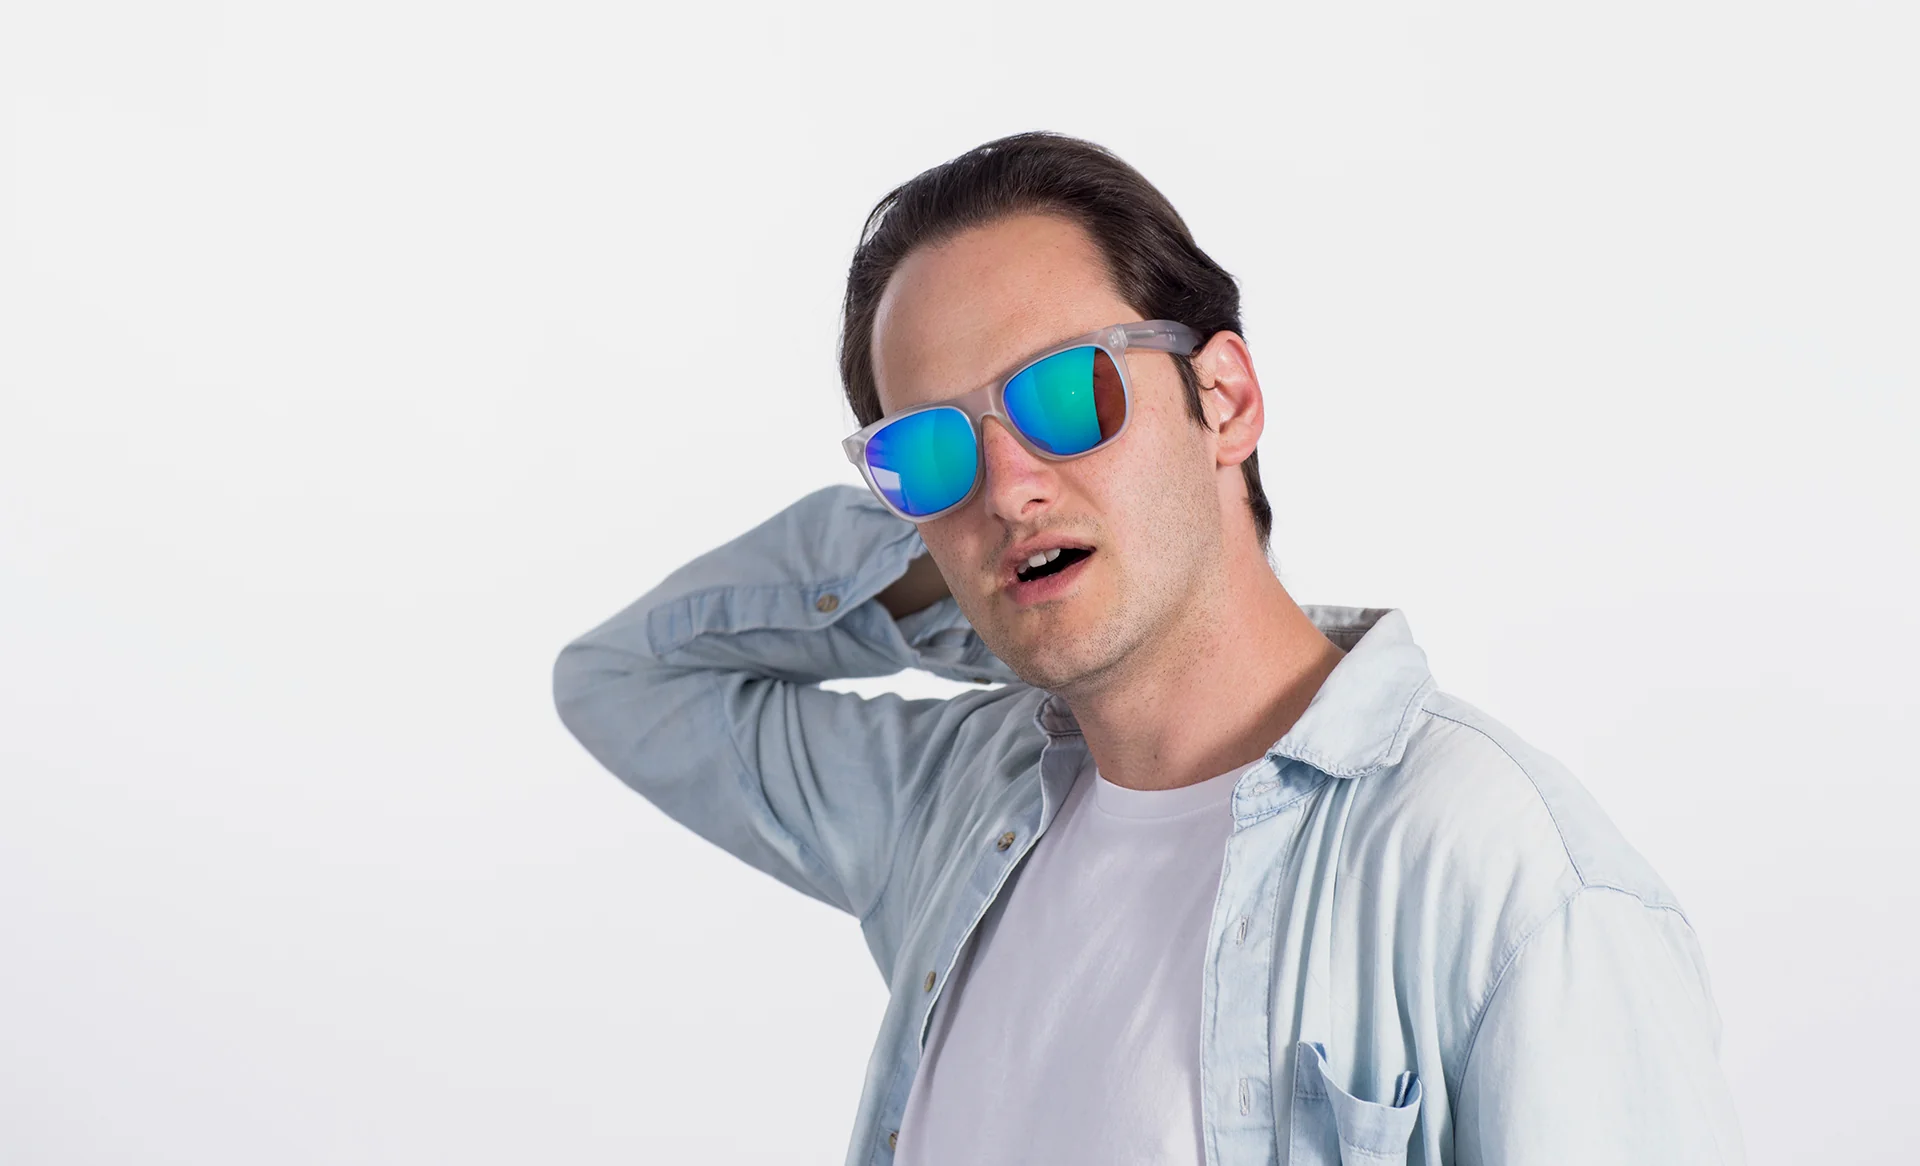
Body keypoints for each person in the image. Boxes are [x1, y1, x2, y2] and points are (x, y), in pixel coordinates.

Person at [551, 132, 1745, 1166]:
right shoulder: (953, 807)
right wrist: (975, 570)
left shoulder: (1513, 881)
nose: (1008, 486)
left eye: (1067, 395)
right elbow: (625, 680)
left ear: (1225, 399)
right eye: (932, 453)